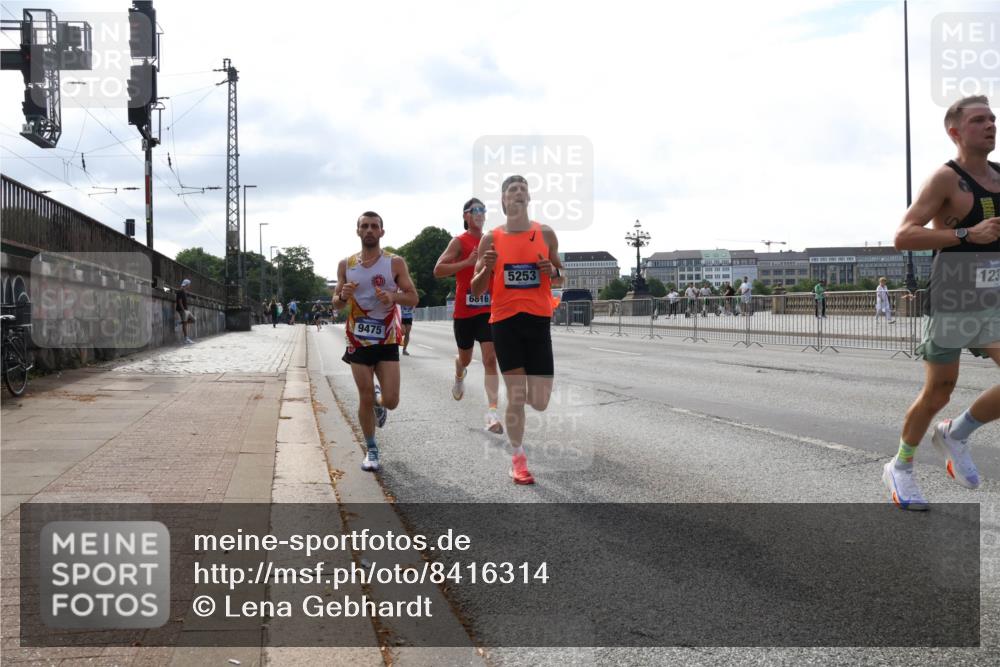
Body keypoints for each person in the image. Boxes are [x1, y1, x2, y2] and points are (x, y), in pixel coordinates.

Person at [883, 94, 1000, 510]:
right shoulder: (946, 179)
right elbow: (904, 236)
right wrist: (968, 235)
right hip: (952, 295)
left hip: (992, 298)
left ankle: (958, 433)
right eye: (978, 120)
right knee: (938, 391)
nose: (990, 125)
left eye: (992, 118)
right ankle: (901, 466)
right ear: (955, 131)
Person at [471, 176, 564, 484]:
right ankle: (518, 458)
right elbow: (476, 288)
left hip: (538, 320)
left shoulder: (546, 233)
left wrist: (552, 271)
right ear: (503, 201)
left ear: (529, 198)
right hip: (505, 321)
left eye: (524, 189)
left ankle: (517, 425)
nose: (519, 193)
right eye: (513, 190)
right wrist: (487, 267)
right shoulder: (491, 239)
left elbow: (561, 278)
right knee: (516, 394)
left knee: (540, 400)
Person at [334, 211, 419, 472]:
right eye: (364, 226)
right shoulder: (346, 265)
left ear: (382, 232)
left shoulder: (394, 263)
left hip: (386, 338)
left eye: (374, 226)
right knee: (364, 395)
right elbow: (336, 305)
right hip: (358, 338)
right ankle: (371, 449)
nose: (369, 230)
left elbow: (413, 298)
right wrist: (343, 296)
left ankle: (381, 401)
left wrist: (394, 298)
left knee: (391, 401)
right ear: (357, 231)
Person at [433, 197, 503, 433]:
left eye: (483, 210)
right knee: (465, 358)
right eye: (476, 210)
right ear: (466, 216)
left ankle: (492, 414)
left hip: (487, 309)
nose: (481, 213)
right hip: (464, 311)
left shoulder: (492, 239)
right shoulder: (459, 241)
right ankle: (459, 371)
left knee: (490, 359)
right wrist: (467, 262)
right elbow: (438, 270)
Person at [176, 278, 195, 344]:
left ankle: (180, 322)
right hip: (183, 310)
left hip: (186, 310)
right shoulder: (180, 291)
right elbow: (180, 301)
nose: (189, 286)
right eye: (189, 284)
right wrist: (183, 310)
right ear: (186, 284)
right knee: (185, 324)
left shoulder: (184, 291)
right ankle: (186, 339)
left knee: (193, 320)